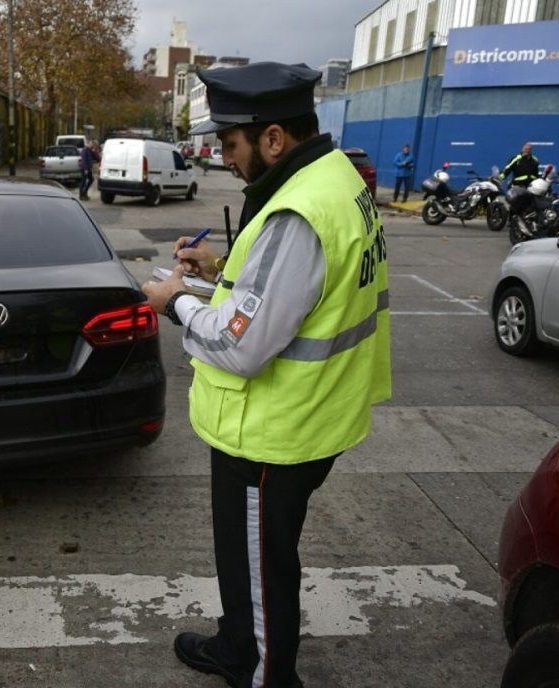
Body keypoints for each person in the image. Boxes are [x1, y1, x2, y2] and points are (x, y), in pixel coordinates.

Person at [142, 61, 391, 688]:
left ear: (274, 138)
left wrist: (174, 301)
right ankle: (237, 644)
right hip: (311, 418)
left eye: (231, 144)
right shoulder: (336, 178)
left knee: (261, 569)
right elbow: (291, 287)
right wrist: (219, 266)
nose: (224, 158)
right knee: (251, 558)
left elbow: (240, 345)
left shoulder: (297, 212)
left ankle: (262, 672)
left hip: (271, 435)